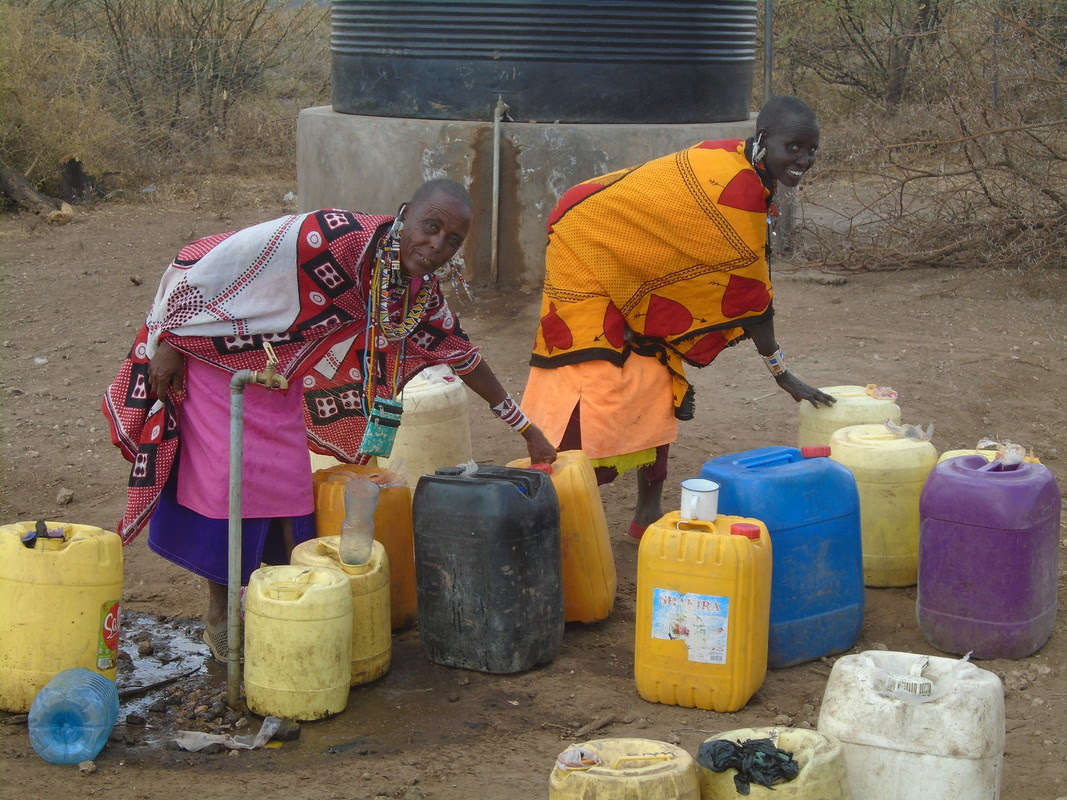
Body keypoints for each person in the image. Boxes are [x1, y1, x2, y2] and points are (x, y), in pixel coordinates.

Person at [103, 178, 556, 660]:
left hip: (278, 374)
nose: (436, 245)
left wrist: (527, 430)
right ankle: (221, 617)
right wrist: (172, 339)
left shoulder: (417, 293)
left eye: (452, 240)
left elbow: (462, 355)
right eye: (430, 227)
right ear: (405, 214)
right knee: (230, 485)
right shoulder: (331, 234)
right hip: (217, 361)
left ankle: (279, 607)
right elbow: (222, 261)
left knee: (289, 492)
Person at [520, 95, 836, 540]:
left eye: (812, 149)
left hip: (625, 258)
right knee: (596, 380)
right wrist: (782, 374)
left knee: (652, 373)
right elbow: (751, 298)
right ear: (763, 140)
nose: (805, 159)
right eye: (795, 147)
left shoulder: (745, 165)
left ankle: (646, 516)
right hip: (585, 248)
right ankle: (544, 510)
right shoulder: (740, 186)